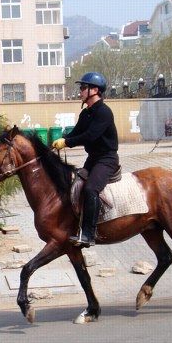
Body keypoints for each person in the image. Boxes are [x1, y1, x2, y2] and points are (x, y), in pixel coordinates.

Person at [51, 72, 119, 247]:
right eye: (81, 88)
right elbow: (76, 133)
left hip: (107, 159)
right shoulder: (86, 114)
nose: (80, 91)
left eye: (83, 88)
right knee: (74, 184)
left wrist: (67, 142)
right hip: (93, 159)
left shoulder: (104, 112)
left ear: (95, 90)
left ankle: (89, 234)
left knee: (90, 189)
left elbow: (90, 136)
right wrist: (59, 142)